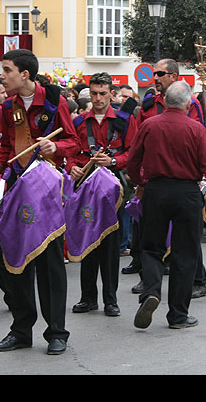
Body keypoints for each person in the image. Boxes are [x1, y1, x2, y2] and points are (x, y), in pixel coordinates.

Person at [0, 49, 79, 355]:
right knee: (17, 259)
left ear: (24, 74)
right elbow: (4, 148)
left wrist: (55, 145)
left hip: (47, 192)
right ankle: (21, 329)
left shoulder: (55, 102)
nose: (2, 76)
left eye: (7, 70)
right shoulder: (7, 107)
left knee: (50, 264)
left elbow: (72, 141)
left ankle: (56, 331)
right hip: (18, 189)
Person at [127, 81, 206, 330]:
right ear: (188, 104)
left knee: (151, 247)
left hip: (156, 190)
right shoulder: (196, 128)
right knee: (185, 253)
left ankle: (152, 291)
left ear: (165, 101)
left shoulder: (149, 124)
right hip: (187, 192)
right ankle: (178, 314)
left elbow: (132, 161)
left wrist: (141, 182)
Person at [66, 72, 137, 318]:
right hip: (85, 187)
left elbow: (134, 152)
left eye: (103, 94)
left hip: (111, 190)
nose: (98, 98)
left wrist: (114, 160)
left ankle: (110, 299)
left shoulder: (125, 120)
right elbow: (71, 153)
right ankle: (88, 298)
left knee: (109, 244)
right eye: (94, 93)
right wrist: (71, 167)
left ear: (111, 94)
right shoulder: (78, 122)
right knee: (87, 241)